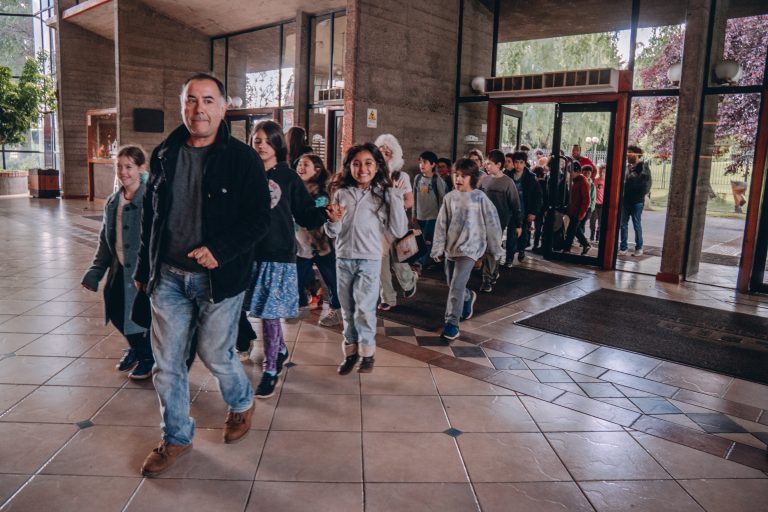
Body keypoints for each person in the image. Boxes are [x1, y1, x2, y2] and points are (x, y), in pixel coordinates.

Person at [134, 73, 271, 477]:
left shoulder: (243, 159)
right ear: (183, 106)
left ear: (224, 107)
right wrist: (144, 268)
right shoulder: (164, 153)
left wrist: (221, 250)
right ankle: (176, 436)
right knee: (168, 364)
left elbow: (260, 219)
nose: (199, 109)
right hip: (169, 277)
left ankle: (242, 402)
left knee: (216, 354)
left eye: (208, 100)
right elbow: (150, 219)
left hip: (220, 279)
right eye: (191, 100)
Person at [248, 120, 328, 398]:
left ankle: (271, 369)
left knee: (270, 315)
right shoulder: (247, 172)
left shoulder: (287, 176)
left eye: (266, 140)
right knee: (255, 310)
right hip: (250, 252)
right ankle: (279, 348)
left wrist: (327, 213)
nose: (261, 145)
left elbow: (306, 213)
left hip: (279, 253)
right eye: (256, 140)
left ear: (277, 144)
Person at [325, 143, 408, 374]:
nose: (362, 168)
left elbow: (399, 230)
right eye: (357, 163)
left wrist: (394, 197)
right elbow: (334, 232)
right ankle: (350, 354)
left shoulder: (383, 193)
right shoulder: (341, 193)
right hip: (343, 259)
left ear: (377, 166)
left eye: (368, 163)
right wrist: (332, 220)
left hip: (370, 261)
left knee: (364, 308)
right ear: (349, 167)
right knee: (348, 310)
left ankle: (368, 353)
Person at [82, 145, 154, 380]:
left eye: (129, 167)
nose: (123, 172)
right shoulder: (114, 201)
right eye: (119, 167)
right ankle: (137, 348)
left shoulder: (151, 198)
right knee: (114, 309)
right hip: (119, 267)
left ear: (141, 168)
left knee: (140, 315)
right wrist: (95, 271)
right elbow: (105, 240)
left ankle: (146, 356)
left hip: (143, 270)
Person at [432, 158, 503, 341]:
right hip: (451, 249)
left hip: (471, 249)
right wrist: (438, 248)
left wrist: (496, 250)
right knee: (453, 285)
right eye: (456, 175)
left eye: (463, 176)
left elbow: (492, 224)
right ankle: (468, 296)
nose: (458, 179)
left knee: (455, 285)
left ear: (472, 177)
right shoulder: (449, 198)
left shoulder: (480, 198)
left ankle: (452, 324)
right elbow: (441, 225)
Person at [294, 153, 342, 327]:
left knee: (332, 279)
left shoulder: (324, 191)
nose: (300, 167)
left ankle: (337, 310)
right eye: (299, 164)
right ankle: (301, 305)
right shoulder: (295, 189)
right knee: (296, 278)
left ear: (317, 170)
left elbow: (316, 217)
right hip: (301, 244)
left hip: (323, 245)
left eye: (305, 164)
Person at [374, 133, 418, 310]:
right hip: (378, 226)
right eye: (381, 150)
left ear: (394, 154)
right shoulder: (373, 175)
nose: (384, 153)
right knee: (381, 265)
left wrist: (397, 203)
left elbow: (409, 201)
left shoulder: (402, 176)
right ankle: (388, 297)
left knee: (400, 261)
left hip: (397, 224)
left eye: (388, 151)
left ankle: (409, 282)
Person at [478, 149, 521, 293]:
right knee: (487, 249)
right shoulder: (484, 180)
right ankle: (493, 271)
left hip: (499, 222)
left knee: (491, 249)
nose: (487, 166)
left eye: (489, 164)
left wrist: (518, 225)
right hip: (482, 220)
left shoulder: (508, 183)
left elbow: (515, 205)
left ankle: (487, 279)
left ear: (498, 164)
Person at [503, 151, 542, 265]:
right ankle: (509, 258)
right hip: (511, 210)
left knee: (523, 232)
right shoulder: (508, 175)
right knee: (511, 233)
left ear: (525, 163)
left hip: (525, 209)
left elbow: (537, 197)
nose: (518, 165)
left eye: (521, 162)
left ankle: (521, 250)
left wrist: (533, 212)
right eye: (516, 162)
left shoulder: (531, 178)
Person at [412, 151, 446, 269]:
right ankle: (423, 260)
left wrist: (442, 217)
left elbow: (443, 199)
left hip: (433, 217)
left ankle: (421, 262)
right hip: (420, 216)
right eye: (420, 162)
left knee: (427, 240)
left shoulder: (438, 181)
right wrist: (414, 213)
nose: (422, 164)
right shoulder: (417, 178)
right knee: (420, 239)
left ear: (432, 165)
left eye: (425, 162)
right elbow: (414, 197)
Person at [619, 145, 652, 256]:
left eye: (630, 154)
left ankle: (639, 248)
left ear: (637, 154)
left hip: (637, 201)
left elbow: (645, 185)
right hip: (625, 200)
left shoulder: (643, 167)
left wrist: (631, 182)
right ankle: (623, 248)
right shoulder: (627, 168)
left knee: (636, 224)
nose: (627, 156)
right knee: (623, 224)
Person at [563, 163, 591, 255]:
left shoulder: (582, 181)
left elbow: (586, 200)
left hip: (578, 211)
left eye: (572, 172)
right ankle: (586, 244)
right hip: (573, 211)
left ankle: (566, 249)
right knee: (576, 230)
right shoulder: (575, 180)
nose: (570, 174)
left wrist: (581, 214)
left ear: (578, 172)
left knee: (571, 231)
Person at [589, 163, 606, 242]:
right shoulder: (596, 181)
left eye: (605, 172)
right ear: (600, 172)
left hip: (602, 205)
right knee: (592, 221)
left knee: (601, 222)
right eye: (602, 171)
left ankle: (597, 237)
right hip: (595, 204)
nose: (603, 173)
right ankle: (592, 236)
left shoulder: (607, 182)